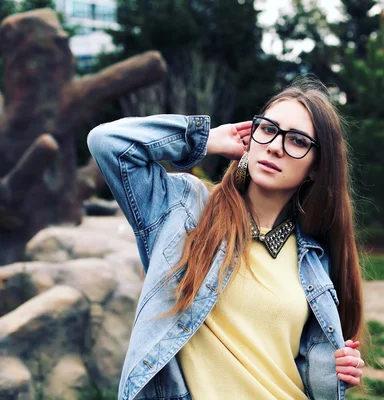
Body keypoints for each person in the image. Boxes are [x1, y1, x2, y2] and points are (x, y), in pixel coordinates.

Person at [87, 76, 365, 400]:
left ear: (316, 167)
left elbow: (297, 360)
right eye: (268, 129)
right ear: (252, 135)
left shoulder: (315, 259)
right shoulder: (184, 211)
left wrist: (336, 366)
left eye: (298, 141)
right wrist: (203, 141)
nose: (275, 146)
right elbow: (108, 144)